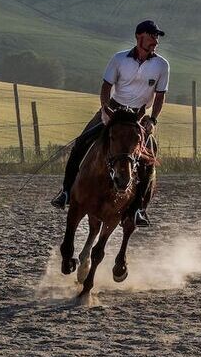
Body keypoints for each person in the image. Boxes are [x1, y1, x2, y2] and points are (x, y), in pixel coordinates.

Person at [50, 20, 170, 227]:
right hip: (113, 110)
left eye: (157, 37)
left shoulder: (162, 65)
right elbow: (106, 87)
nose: (156, 41)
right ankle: (66, 192)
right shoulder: (119, 59)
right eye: (152, 36)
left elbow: (160, 96)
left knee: (149, 159)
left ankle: (138, 209)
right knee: (81, 143)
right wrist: (105, 109)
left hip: (138, 116)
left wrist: (153, 120)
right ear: (139, 36)